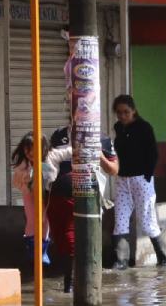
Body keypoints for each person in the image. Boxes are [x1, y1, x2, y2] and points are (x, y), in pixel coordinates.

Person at [47, 122, 120, 293]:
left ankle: (75, 283)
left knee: (75, 238)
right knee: (61, 239)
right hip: (56, 196)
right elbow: (49, 160)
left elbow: (113, 169)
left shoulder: (102, 138)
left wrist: (98, 154)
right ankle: (70, 281)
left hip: (85, 196)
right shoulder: (59, 134)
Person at [110, 94, 166, 269]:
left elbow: (153, 153)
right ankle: (121, 261)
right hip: (122, 180)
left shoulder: (144, 128)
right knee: (120, 220)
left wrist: (147, 175)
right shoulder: (118, 128)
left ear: (133, 111)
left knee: (147, 221)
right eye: (119, 112)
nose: (122, 116)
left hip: (141, 180)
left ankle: (163, 259)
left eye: (126, 112)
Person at [10, 133, 51, 265]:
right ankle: (32, 247)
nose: (29, 154)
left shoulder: (48, 160)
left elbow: (52, 172)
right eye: (27, 151)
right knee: (32, 219)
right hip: (29, 192)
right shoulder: (24, 163)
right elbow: (17, 180)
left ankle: (43, 249)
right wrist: (26, 175)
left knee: (45, 220)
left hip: (45, 192)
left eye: (32, 151)